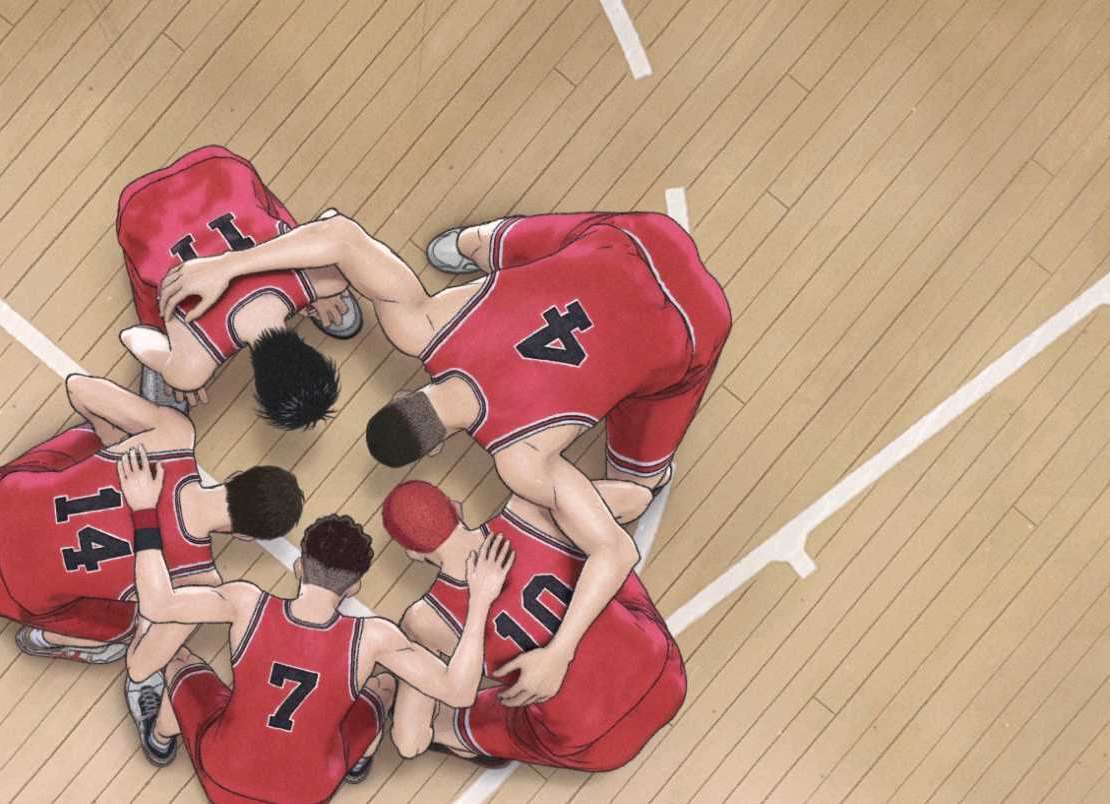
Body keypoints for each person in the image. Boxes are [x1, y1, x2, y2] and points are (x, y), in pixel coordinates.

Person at [157, 209, 728, 704]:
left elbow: (616, 548)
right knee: (493, 248)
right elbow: (341, 235)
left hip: (694, 328)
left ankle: (645, 470)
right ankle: (474, 242)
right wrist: (229, 264)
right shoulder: (424, 325)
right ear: (408, 399)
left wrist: (560, 652)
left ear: (433, 449)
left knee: (640, 483)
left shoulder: (524, 459)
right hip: (633, 238)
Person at [117, 448, 513, 804]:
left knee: (179, 660)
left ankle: (159, 739)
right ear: (354, 587)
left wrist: (143, 510)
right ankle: (358, 761)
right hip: (303, 800)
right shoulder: (373, 637)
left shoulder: (246, 603)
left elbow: (157, 603)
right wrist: (479, 600)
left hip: (221, 778)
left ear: (299, 568)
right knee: (385, 687)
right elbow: (459, 692)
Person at [0, 372, 305, 717]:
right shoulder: (199, 582)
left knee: (93, 443)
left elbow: (78, 386)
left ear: (235, 476)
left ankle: (117, 441)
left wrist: (115, 442)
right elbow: (139, 668)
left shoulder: (175, 435)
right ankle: (54, 640)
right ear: (245, 535)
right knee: (130, 624)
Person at [380, 479, 686, 771]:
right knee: (598, 556)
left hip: (599, 745)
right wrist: (565, 516)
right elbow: (637, 499)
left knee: (446, 716)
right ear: (455, 507)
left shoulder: (424, 620)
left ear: (414, 554)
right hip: (667, 675)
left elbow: (410, 742)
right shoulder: (530, 509)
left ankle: (467, 740)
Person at [115, 145, 360, 428]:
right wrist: (174, 369)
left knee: (284, 231)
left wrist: (318, 289)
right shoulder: (192, 368)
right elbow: (133, 336)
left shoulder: (328, 278)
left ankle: (310, 295)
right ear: (259, 384)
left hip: (218, 167)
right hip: (138, 210)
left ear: (311, 352)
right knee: (160, 309)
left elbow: (331, 220)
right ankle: (168, 346)